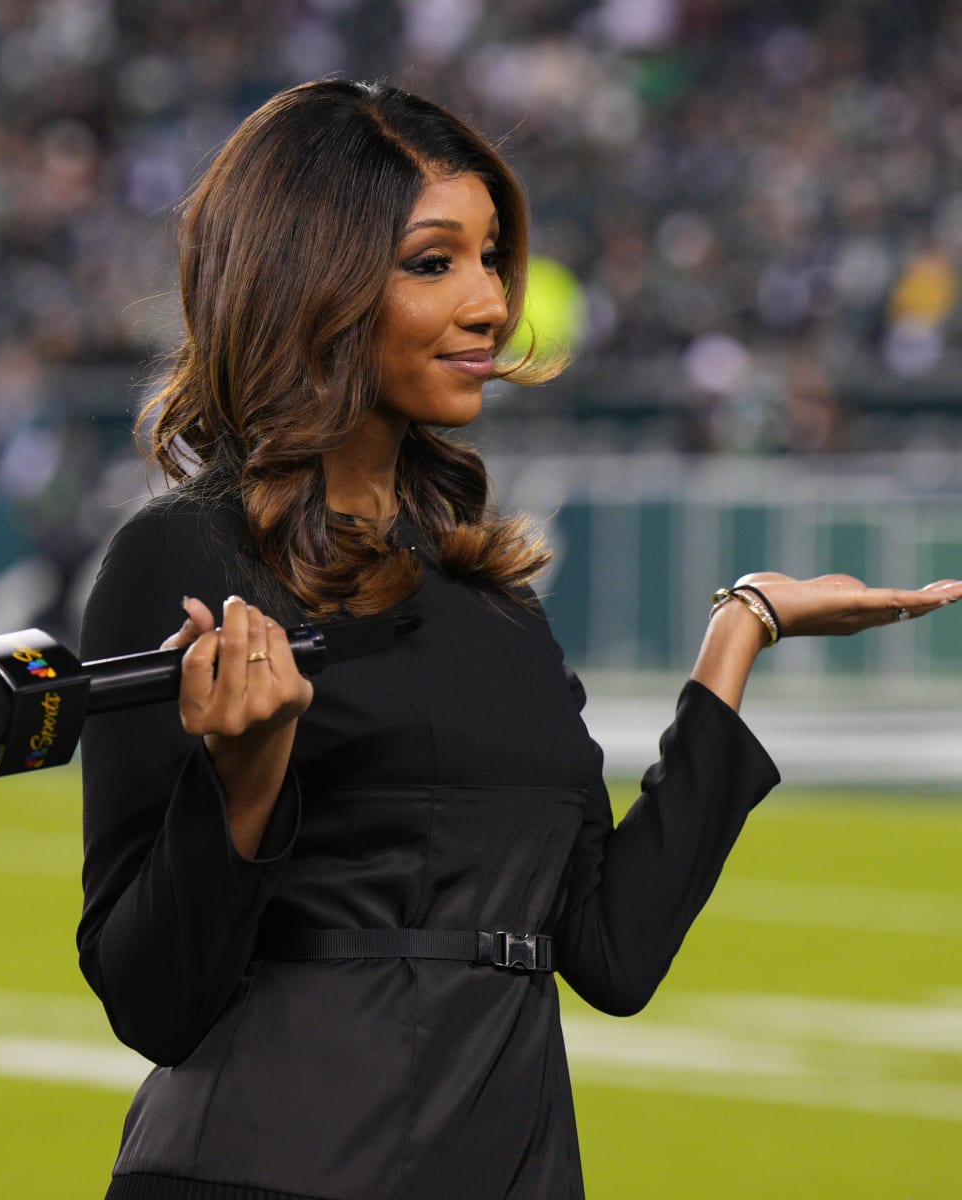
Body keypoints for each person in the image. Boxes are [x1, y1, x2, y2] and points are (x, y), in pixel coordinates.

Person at [76, 80, 962, 1200]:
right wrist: (240, 785)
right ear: (312, 280)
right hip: (267, 1171)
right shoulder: (183, 560)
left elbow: (613, 949)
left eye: (495, 258)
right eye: (434, 262)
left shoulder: (486, 587)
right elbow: (151, 999)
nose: (492, 300)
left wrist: (742, 631)